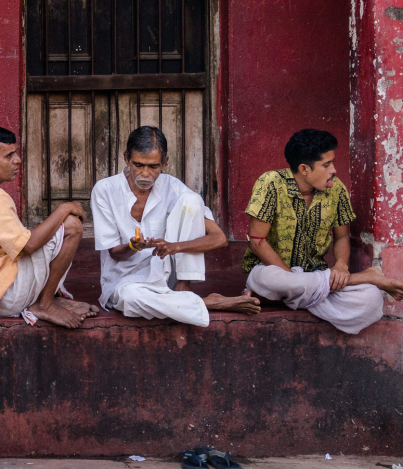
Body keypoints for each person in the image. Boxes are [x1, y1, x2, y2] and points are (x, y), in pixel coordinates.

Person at [91, 126, 260, 326]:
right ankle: (209, 302)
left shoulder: (173, 188)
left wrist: (175, 247)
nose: (145, 173)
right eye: (138, 165)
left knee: (192, 201)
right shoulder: (105, 190)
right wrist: (132, 246)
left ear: (165, 162)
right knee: (129, 298)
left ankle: (183, 288)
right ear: (127, 158)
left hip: (166, 275)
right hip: (125, 281)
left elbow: (219, 238)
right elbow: (114, 253)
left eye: (154, 167)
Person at [243, 129, 403, 334]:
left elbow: (342, 236)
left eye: (332, 163)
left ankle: (292, 296)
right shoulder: (271, 183)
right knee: (269, 280)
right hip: (273, 271)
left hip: (313, 274)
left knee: (371, 299)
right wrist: (292, 280)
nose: (333, 170)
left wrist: (341, 266)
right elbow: (256, 240)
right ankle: (365, 276)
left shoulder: (336, 189)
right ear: (304, 169)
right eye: (327, 165)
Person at [0, 125, 96, 327]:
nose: (17, 160)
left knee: (51, 229)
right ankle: (44, 304)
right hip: (4, 294)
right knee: (72, 225)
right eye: (8, 156)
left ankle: (48, 298)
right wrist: (64, 209)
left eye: (16, 153)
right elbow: (28, 246)